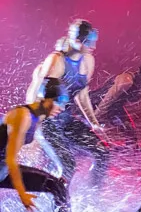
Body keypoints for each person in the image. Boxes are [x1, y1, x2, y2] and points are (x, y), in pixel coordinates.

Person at [26, 19, 110, 186]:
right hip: (46, 123)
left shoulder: (87, 61)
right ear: (77, 41)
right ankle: (56, 207)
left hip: (66, 121)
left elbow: (82, 94)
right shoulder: (56, 60)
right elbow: (35, 96)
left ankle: (93, 198)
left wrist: (93, 122)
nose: (93, 46)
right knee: (68, 166)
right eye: (89, 42)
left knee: (102, 152)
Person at [0, 78, 74, 212]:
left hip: (3, 170)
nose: (61, 108)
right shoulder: (23, 116)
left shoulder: (37, 118)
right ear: (44, 99)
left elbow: (33, 149)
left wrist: (53, 173)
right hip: (5, 168)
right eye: (58, 101)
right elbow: (11, 159)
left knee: (57, 186)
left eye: (63, 103)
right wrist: (22, 194)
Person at [91, 52, 141, 146]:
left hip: (114, 107)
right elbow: (107, 100)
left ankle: (129, 152)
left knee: (130, 134)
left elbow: (118, 103)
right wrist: (95, 118)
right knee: (93, 131)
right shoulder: (127, 81)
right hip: (95, 103)